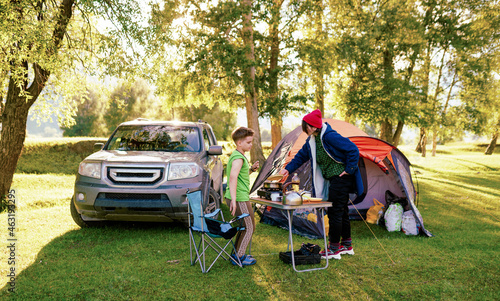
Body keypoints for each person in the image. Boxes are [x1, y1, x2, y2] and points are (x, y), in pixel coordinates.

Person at [279, 109, 363, 260]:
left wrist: (349, 169)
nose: (306, 130)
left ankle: (333, 248)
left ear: (314, 126)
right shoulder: (312, 140)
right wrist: (287, 169)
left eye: (308, 127)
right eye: (306, 127)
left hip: (342, 177)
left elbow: (353, 149)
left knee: (335, 212)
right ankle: (346, 245)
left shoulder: (330, 136)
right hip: (334, 178)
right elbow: (301, 156)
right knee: (342, 210)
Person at [224, 126, 260, 266]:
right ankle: (239, 257)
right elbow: (232, 178)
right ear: (239, 143)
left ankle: (237, 253)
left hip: (239, 196)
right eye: (248, 142)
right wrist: (234, 200)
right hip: (239, 198)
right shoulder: (239, 158)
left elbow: (239, 177)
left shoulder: (238, 156)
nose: (251, 145)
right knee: (250, 227)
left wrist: (251, 170)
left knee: (245, 226)